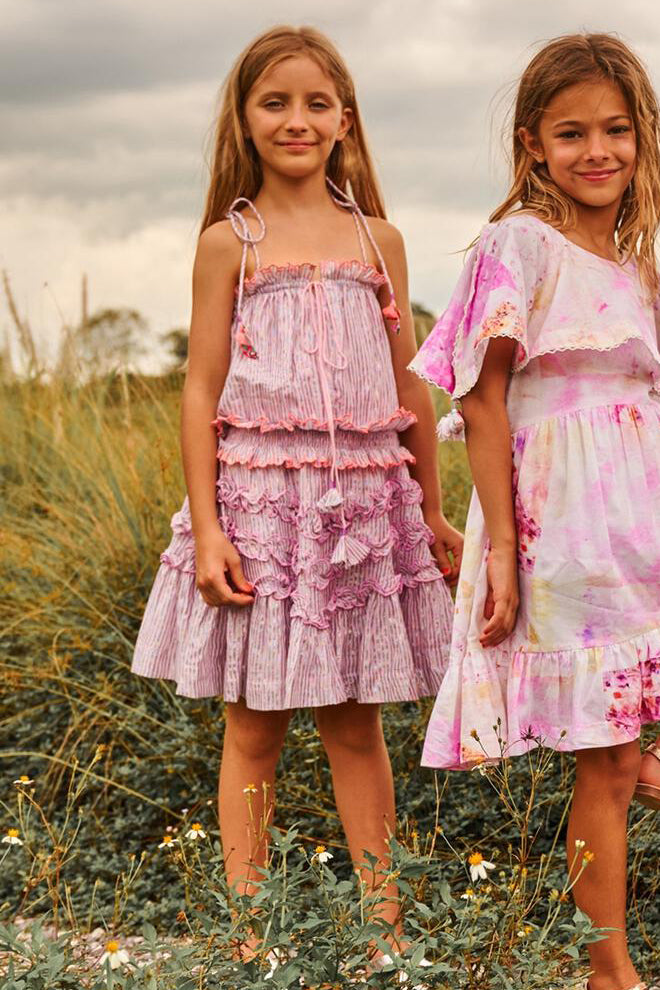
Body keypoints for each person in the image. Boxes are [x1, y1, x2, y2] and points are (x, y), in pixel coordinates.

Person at [132, 24, 461, 969]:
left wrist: (432, 511)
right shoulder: (226, 242)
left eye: (317, 102)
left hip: (364, 507)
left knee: (356, 722)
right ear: (244, 118)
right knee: (254, 723)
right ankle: (253, 938)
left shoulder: (379, 240)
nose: (297, 119)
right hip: (262, 509)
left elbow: (411, 387)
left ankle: (384, 936)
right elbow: (200, 388)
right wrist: (205, 531)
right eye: (275, 101)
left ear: (345, 121)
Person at [410, 33, 660, 990]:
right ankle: (610, 972)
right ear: (532, 146)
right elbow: (479, 398)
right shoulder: (519, 245)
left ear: (640, 138)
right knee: (603, 764)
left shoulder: (637, 263)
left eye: (615, 131)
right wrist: (503, 551)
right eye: (570, 133)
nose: (596, 151)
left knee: (623, 752)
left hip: (640, 526)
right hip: (568, 535)